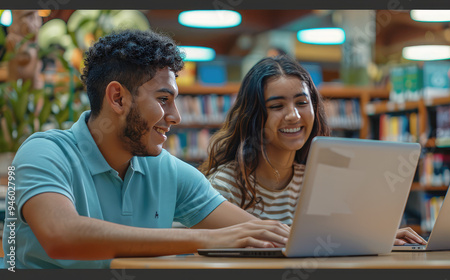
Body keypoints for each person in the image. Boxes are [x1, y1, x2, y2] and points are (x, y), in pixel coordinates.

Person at [2, 29, 289, 269]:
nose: (176, 116)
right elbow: (62, 235)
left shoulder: (166, 168)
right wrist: (205, 239)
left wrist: (288, 237)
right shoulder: (42, 153)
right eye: (164, 99)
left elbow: (256, 233)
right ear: (117, 98)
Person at [199, 55, 427, 246]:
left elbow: (330, 242)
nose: (294, 116)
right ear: (253, 117)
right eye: (277, 106)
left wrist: (372, 237)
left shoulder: (320, 180)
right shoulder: (225, 185)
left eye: (301, 102)